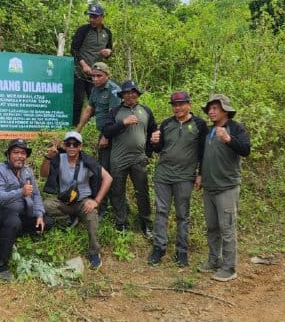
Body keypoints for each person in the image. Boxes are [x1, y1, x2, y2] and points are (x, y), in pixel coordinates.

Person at [147, 91, 208, 267]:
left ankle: (182, 251)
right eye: (174, 105)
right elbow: (158, 149)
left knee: (183, 214)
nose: (177, 108)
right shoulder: (166, 124)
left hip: (185, 177)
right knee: (161, 212)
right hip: (163, 175)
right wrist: (154, 141)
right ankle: (159, 248)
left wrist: (201, 174)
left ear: (189, 104)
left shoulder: (199, 125)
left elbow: (204, 152)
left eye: (181, 104)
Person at [40, 131, 113, 269]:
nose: (72, 147)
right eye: (69, 144)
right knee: (45, 205)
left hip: (83, 202)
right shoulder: (58, 158)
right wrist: (48, 158)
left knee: (91, 218)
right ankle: (71, 217)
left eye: (75, 144)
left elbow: (108, 178)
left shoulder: (87, 161)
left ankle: (94, 252)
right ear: (64, 145)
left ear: (80, 146)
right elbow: (43, 174)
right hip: (65, 201)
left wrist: (96, 201)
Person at [199, 94, 251, 282]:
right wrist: (200, 175)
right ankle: (214, 260)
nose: (211, 112)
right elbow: (205, 155)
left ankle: (229, 267)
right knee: (212, 227)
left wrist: (229, 139)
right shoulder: (209, 130)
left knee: (227, 228)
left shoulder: (236, 128)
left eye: (215, 108)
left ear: (225, 110)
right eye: (209, 109)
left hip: (227, 187)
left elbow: (246, 149)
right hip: (210, 187)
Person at [0, 139, 54, 281]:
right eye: (16, 152)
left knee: (47, 222)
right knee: (13, 221)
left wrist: (40, 214)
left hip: (20, 214)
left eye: (23, 153)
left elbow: (35, 194)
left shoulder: (27, 171)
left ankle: (9, 234)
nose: (20, 156)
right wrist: (20, 192)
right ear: (8, 155)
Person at [102, 80, 156, 238]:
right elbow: (106, 131)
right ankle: (121, 223)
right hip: (118, 159)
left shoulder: (145, 111)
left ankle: (146, 224)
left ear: (137, 94)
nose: (130, 95)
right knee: (117, 191)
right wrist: (123, 123)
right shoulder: (115, 111)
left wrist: (149, 154)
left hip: (139, 158)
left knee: (142, 191)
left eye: (133, 92)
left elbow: (154, 132)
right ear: (122, 95)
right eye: (126, 92)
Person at [74, 62, 120, 218]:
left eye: (99, 76)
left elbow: (115, 114)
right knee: (103, 170)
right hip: (103, 134)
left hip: (114, 136)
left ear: (107, 75)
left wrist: (106, 136)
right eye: (93, 76)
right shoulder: (95, 90)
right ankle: (102, 206)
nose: (95, 79)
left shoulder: (114, 90)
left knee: (111, 171)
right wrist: (78, 129)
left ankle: (113, 208)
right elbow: (90, 109)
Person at [70, 3, 113, 126]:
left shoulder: (107, 33)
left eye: (95, 17)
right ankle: (74, 125)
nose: (92, 19)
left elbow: (109, 49)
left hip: (96, 74)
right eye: (90, 16)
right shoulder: (83, 30)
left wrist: (108, 52)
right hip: (80, 72)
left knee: (95, 100)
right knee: (78, 99)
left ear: (102, 17)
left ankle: (92, 125)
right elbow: (74, 49)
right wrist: (83, 65)